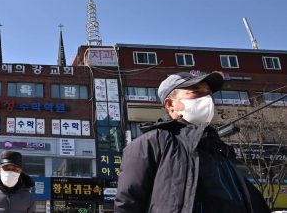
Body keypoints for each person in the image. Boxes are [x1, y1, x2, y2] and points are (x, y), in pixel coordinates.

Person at [114, 72, 270, 213]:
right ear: (170, 105)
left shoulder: (218, 148)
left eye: (209, 94)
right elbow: (127, 202)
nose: (207, 99)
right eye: (196, 92)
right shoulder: (151, 143)